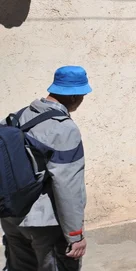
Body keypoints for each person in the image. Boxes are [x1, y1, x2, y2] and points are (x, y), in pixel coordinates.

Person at [1, 66, 91, 271]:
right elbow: (68, 185)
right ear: (75, 96)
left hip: (11, 217)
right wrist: (75, 234)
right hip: (45, 223)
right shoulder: (64, 128)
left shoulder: (16, 117)